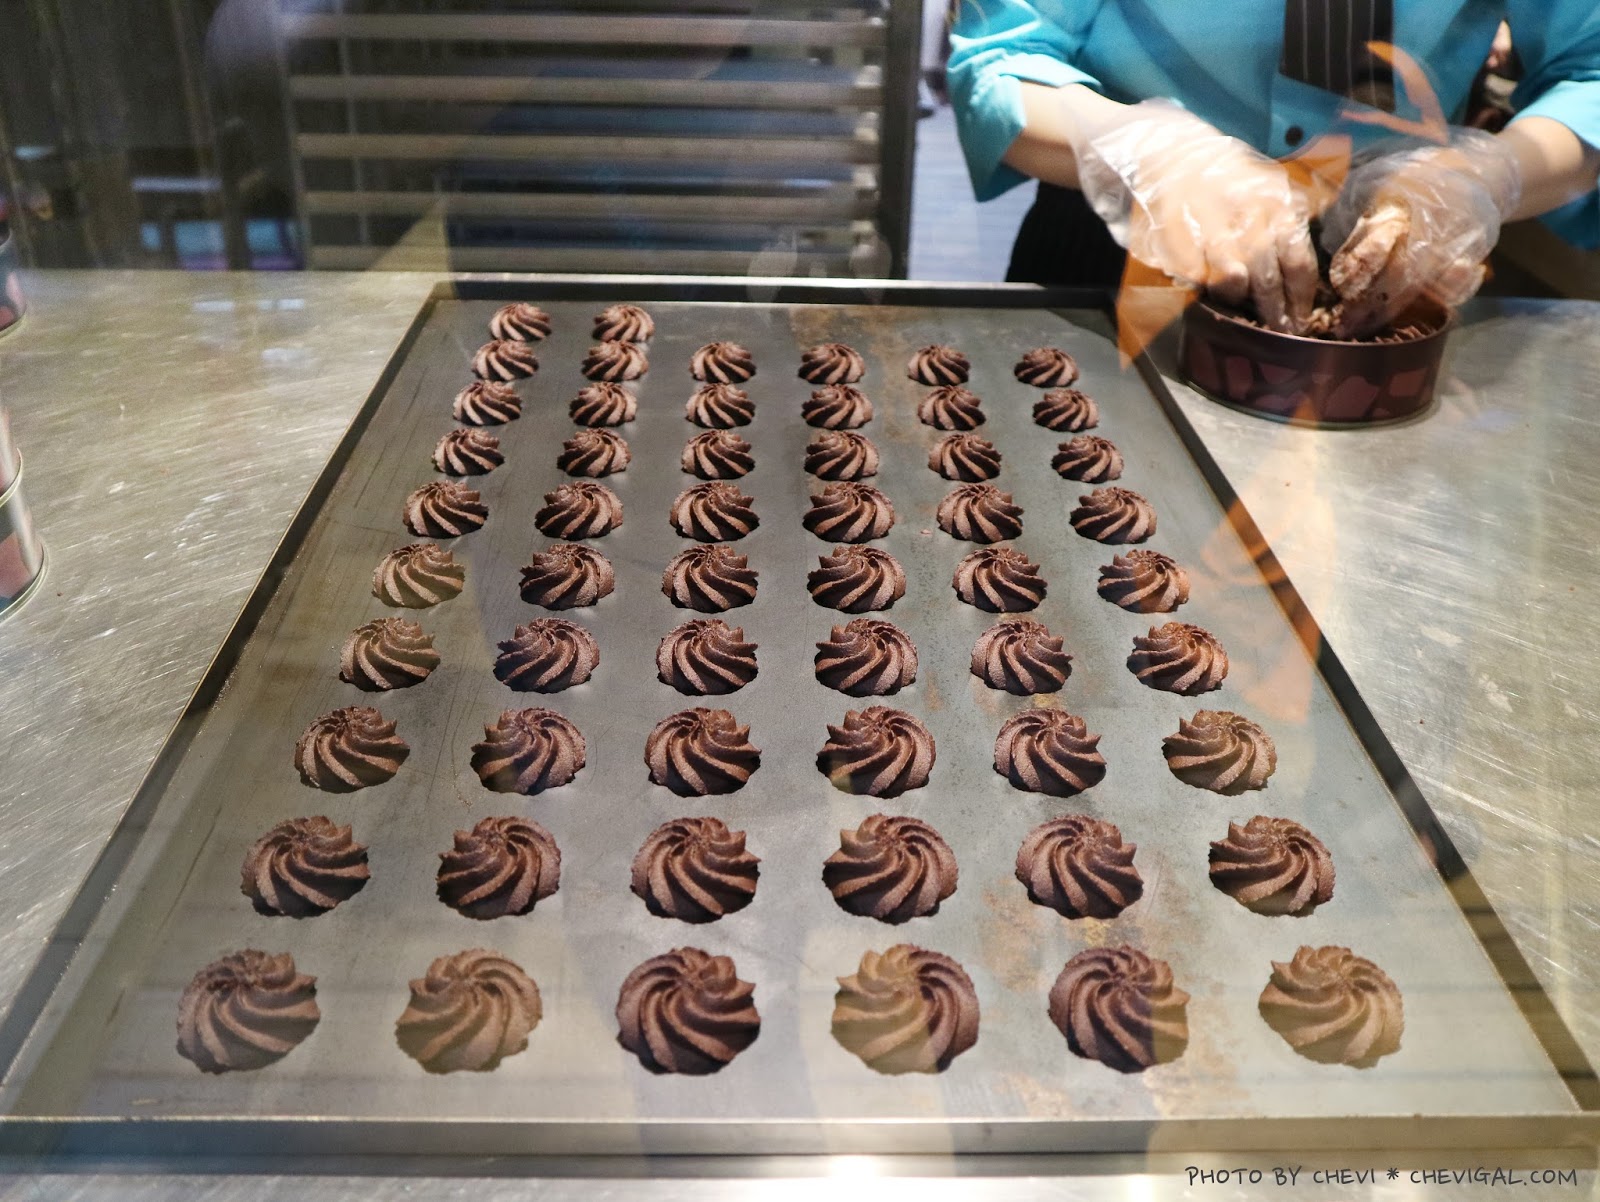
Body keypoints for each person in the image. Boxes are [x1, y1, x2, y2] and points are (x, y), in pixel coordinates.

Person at [947, 3, 1600, 336]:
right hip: (1120, 235)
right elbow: (1000, 59)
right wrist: (1147, 151)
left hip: (1392, 262)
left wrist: (1485, 177)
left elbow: (1589, 71)